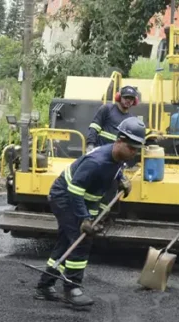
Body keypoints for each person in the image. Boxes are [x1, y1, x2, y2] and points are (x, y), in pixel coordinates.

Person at [34, 117, 144, 310]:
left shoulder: (118, 157)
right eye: (131, 148)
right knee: (81, 239)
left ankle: (45, 285)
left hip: (79, 197)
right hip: (65, 196)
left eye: (137, 149)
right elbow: (75, 190)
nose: (134, 152)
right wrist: (84, 219)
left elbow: (114, 170)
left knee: (67, 242)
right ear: (119, 140)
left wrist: (121, 179)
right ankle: (72, 289)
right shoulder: (96, 161)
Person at [87, 85, 139, 151]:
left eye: (131, 99)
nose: (128, 100)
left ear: (134, 101)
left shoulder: (131, 119)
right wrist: (90, 145)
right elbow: (94, 127)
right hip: (100, 150)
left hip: (117, 154)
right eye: (126, 97)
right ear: (119, 97)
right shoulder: (107, 109)